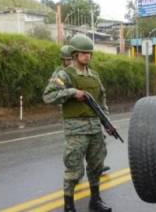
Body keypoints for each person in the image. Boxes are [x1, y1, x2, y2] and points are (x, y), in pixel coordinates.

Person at [43, 34, 112, 212]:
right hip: (76, 130)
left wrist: (107, 123)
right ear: (74, 55)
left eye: (89, 53)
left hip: (95, 129)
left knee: (96, 166)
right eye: (83, 53)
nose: (87, 56)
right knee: (74, 170)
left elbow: (102, 101)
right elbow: (48, 96)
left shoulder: (94, 76)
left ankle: (95, 201)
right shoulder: (64, 75)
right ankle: (69, 206)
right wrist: (72, 92)